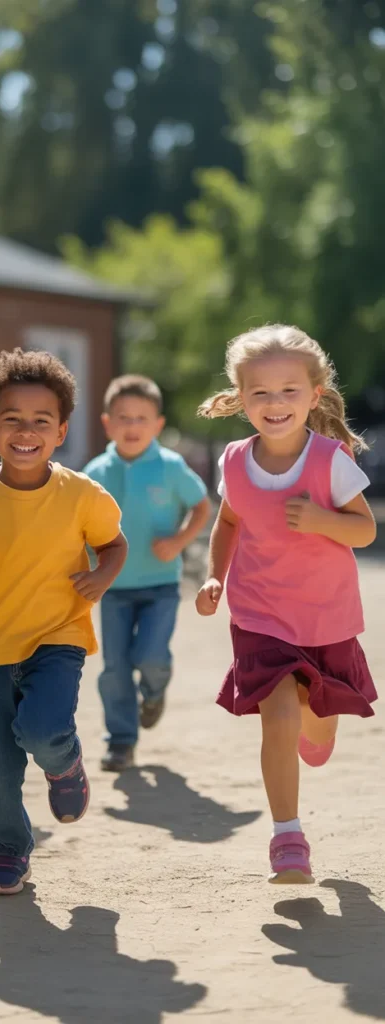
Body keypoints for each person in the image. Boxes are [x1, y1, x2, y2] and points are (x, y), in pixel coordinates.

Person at [0, 348, 127, 895]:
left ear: (61, 431)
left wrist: (102, 578)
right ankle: (10, 851)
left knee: (42, 730)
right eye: (12, 420)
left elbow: (114, 545)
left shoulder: (82, 494)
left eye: (41, 421)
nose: (26, 432)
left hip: (56, 636)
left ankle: (64, 765)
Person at [196, 324, 377, 885]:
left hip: (326, 618)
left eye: (289, 391)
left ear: (314, 395)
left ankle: (314, 727)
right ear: (241, 397)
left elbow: (365, 531)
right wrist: (213, 578)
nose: (275, 404)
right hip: (259, 616)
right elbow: (227, 523)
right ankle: (287, 838)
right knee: (275, 715)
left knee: (315, 726)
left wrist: (324, 521)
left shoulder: (331, 460)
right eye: (261, 393)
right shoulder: (231, 460)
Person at [84, 375, 210, 772]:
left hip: (161, 584)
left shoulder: (171, 467)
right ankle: (121, 741)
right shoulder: (95, 471)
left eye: (142, 418)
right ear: (108, 423)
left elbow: (202, 506)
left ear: (158, 424)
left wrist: (180, 540)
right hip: (114, 586)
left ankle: (154, 691)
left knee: (151, 656)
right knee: (115, 668)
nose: (132, 426)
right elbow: (79, 522)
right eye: (123, 417)